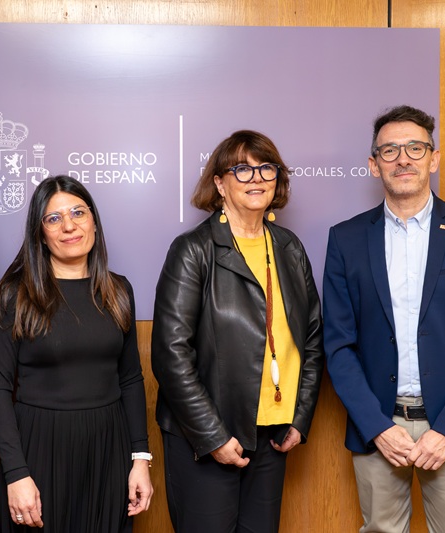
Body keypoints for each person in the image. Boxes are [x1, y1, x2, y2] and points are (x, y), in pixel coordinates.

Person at [323, 105, 445, 533]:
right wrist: (376, 427)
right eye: (389, 150)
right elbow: (338, 345)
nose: (403, 158)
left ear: (433, 158)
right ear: (373, 165)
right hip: (379, 425)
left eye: (415, 148)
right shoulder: (346, 239)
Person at [151, 130, 324, 532]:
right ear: (219, 183)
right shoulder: (193, 249)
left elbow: (312, 339)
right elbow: (170, 355)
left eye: (267, 168)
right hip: (207, 439)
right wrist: (212, 435)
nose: (257, 178)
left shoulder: (289, 247)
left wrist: (299, 418)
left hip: (273, 432)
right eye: (242, 169)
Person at [0, 175, 153, 532]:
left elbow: (131, 379)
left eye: (78, 212)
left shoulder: (118, 290)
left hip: (109, 451)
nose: (69, 226)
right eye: (54, 218)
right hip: (38, 450)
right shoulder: (14, 295)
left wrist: (140, 459)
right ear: (40, 232)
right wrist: (16, 473)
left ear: (93, 220)